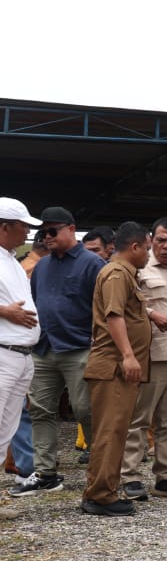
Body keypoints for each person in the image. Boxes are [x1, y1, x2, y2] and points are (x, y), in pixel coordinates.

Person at [11, 207, 105, 497]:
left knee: (86, 410)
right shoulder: (42, 266)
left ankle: (100, 471)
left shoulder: (94, 264)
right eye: (43, 232)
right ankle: (45, 472)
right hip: (45, 348)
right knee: (40, 411)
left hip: (79, 348)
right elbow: (37, 302)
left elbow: (105, 308)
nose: (47, 237)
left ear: (70, 229)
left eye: (52, 231)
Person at [118, 218, 167, 501]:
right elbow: (129, 305)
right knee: (140, 418)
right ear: (151, 239)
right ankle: (129, 476)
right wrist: (152, 314)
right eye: (161, 240)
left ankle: (166, 476)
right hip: (151, 354)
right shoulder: (140, 269)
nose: (165, 246)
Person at [80, 222, 153, 517]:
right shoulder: (115, 273)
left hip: (117, 368)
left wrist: (151, 315)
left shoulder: (125, 274)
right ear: (134, 247)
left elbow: (128, 312)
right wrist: (128, 355)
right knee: (110, 433)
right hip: (112, 367)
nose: (149, 254)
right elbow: (114, 316)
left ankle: (104, 491)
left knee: (116, 432)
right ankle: (99, 496)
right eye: (147, 248)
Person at [0, 199, 42, 518]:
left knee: (6, 430)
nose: (28, 231)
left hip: (20, 355)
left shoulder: (13, 261)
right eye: (23, 226)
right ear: (4, 227)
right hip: (3, 354)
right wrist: (4, 311)